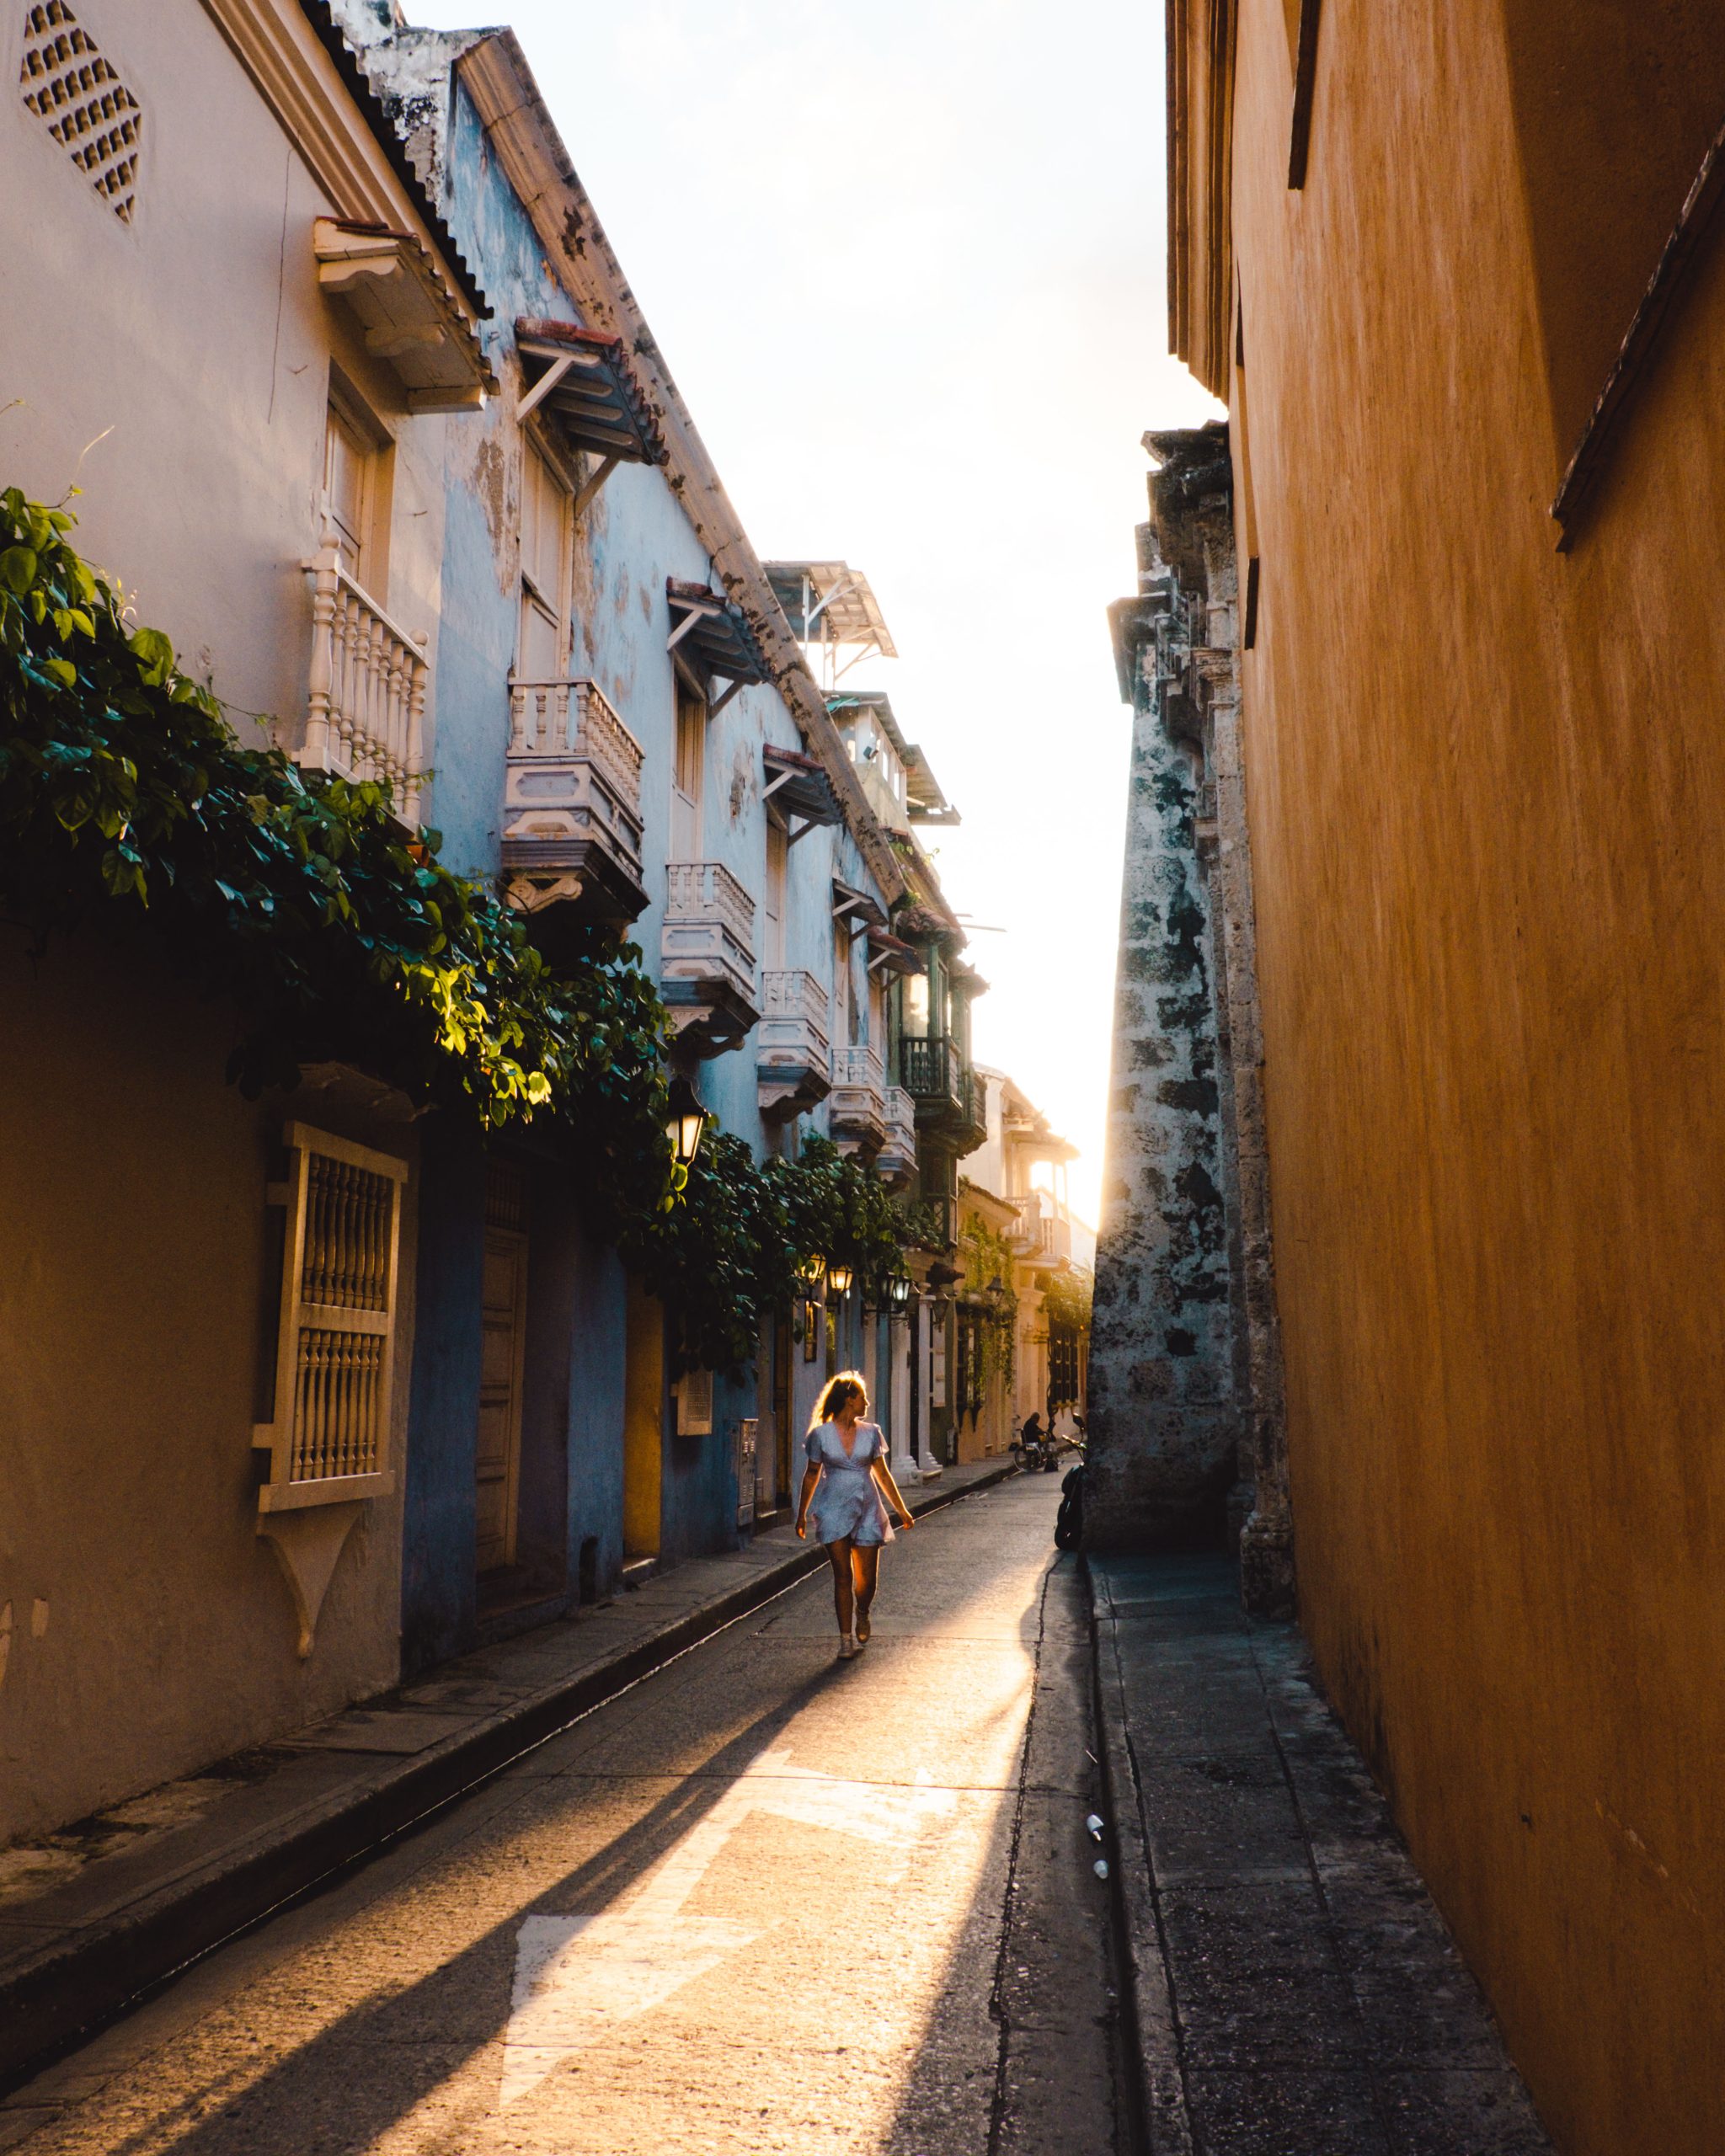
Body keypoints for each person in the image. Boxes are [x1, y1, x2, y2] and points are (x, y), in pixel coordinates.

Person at [795, 1371, 914, 1659]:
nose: (867, 1402)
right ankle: (845, 1639)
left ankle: (863, 1610)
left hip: (868, 1510)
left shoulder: (871, 1433)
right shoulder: (820, 1435)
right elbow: (812, 1475)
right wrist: (801, 1514)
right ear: (849, 1400)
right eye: (862, 1397)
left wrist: (901, 1510)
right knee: (843, 1577)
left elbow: (883, 1474)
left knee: (867, 1582)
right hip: (833, 1509)